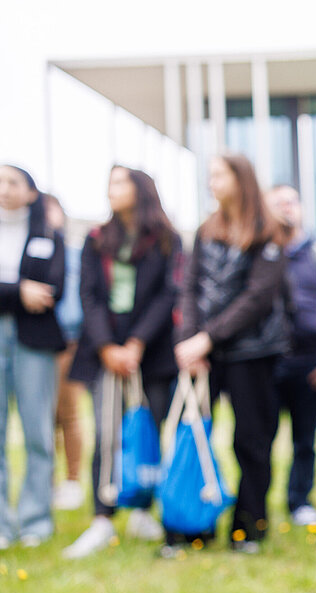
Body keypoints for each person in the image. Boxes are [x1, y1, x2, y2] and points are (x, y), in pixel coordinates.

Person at [62, 167, 181, 558]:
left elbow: (169, 294)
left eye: (120, 183)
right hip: (105, 355)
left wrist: (137, 342)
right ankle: (102, 515)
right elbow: (89, 295)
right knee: (107, 431)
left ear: (140, 189)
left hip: (152, 354)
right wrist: (108, 347)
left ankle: (144, 508)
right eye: (109, 183)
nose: (111, 190)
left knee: (148, 428)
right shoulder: (97, 240)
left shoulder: (166, 239)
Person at [174, 154, 290, 555]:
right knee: (194, 436)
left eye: (219, 174)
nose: (212, 182)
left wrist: (208, 338)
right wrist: (191, 340)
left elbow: (257, 298)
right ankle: (191, 525)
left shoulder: (269, 232)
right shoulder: (206, 229)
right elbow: (189, 288)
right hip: (203, 355)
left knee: (252, 442)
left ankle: (248, 528)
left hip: (252, 353)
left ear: (241, 179)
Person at [0, 165, 66, 549]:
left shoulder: (48, 234)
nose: (4, 190)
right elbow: (29, 292)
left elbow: (50, 289)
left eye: (12, 182)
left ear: (30, 192)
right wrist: (18, 290)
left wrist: (24, 292)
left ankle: (36, 520)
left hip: (33, 341)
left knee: (38, 431)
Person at [266, 184, 316, 528]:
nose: (284, 209)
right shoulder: (261, 252)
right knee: (261, 436)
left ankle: (300, 499)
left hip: (312, 361)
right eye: (276, 204)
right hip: (270, 361)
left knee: (305, 439)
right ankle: (259, 500)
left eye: (290, 202)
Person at [45, 194, 87, 511]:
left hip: (67, 341)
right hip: (33, 343)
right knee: (40, 418)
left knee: (67, 413)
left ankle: (72, 480)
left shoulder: (73, 255)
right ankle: (45, 482)